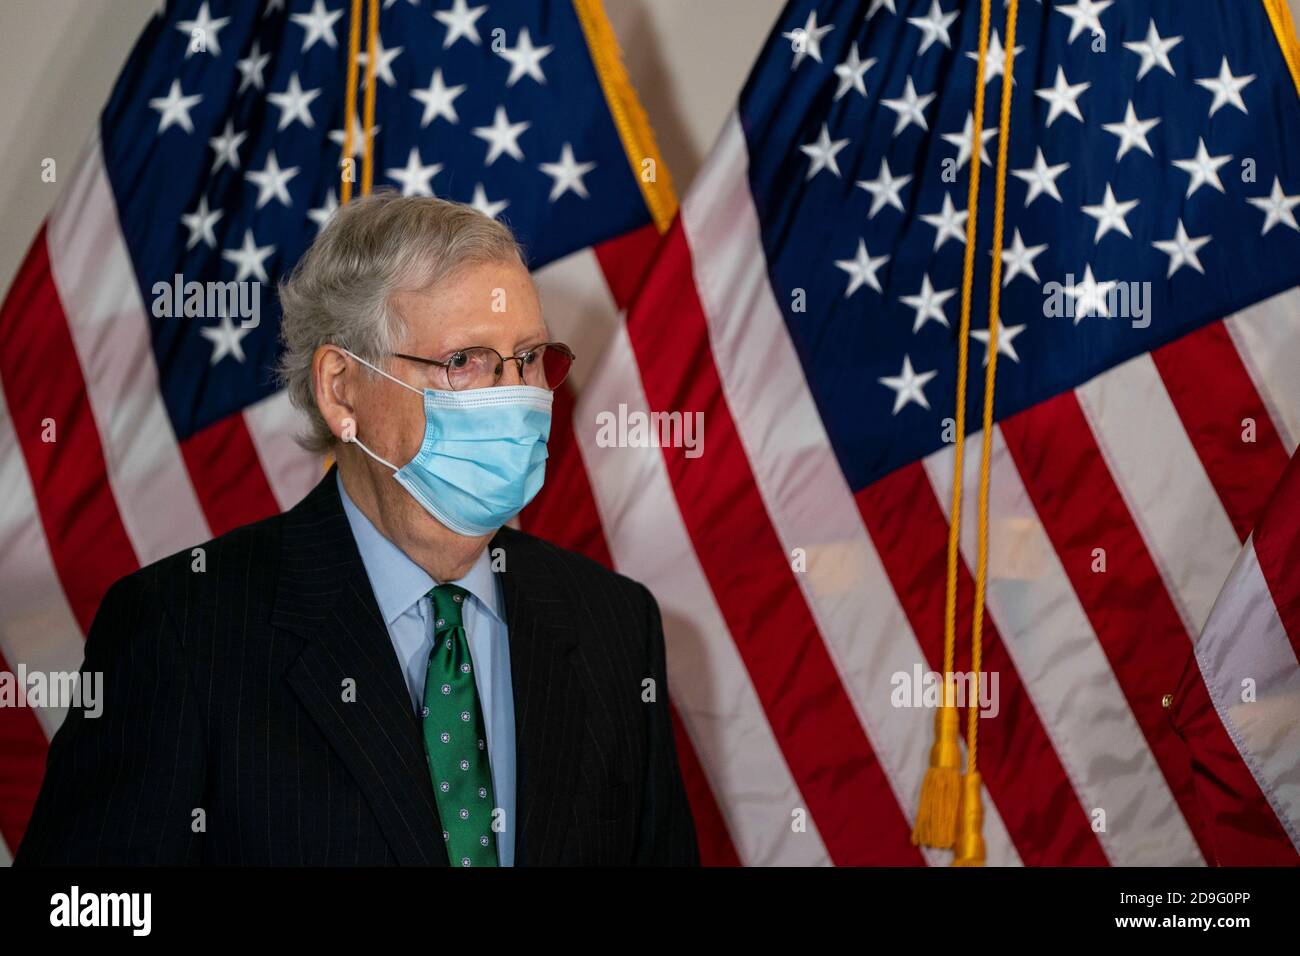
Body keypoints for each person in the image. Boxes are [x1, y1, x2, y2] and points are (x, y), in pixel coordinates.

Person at [17, 192, 699, 866]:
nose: (515, 395)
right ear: (342, 388)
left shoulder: (614, 623)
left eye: (527, 359)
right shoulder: (184, 632)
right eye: (466, 361)